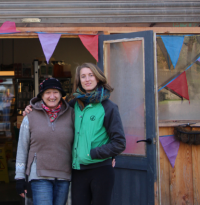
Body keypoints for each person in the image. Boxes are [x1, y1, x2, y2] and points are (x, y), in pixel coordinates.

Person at [23, 63, 126, 205]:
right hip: (78, 172)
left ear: (98, 78)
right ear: (79, 81)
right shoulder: (72, 106)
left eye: (91, 75)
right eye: (83, 76)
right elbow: (51, 107)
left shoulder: (109, 107)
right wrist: (31, 108)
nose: (87, 79)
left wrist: (94, 153)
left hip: (101, 170)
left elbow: (119, 142)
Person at [15, 77, 74, 205]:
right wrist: (19, 177)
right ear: (41, 95)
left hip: (64, 175)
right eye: (47, 92)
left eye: (56, 92)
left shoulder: (72, 115)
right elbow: (22, 148)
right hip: (39, 175)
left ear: (61, 95)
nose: (52, 96)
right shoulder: (30, 116)